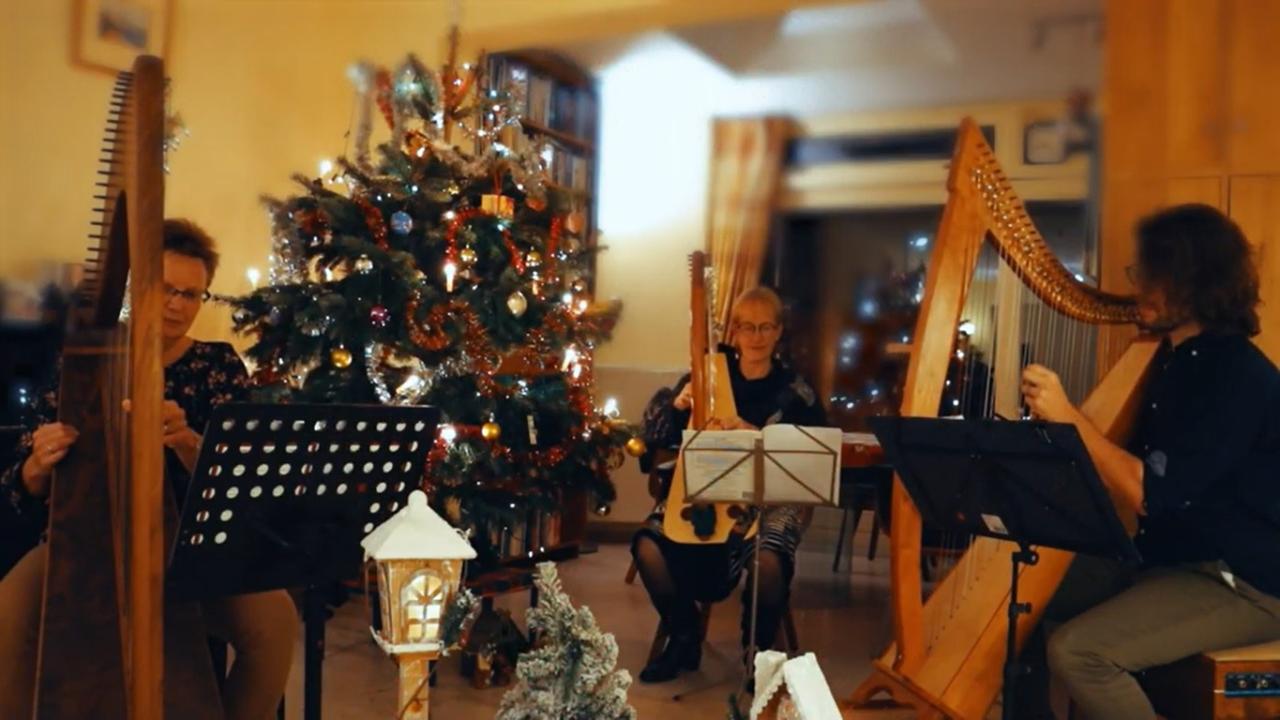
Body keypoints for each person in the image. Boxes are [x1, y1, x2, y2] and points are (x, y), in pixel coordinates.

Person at [0, 219, 297, 720]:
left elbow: (241, 484)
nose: (178, 304)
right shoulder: (81, 359)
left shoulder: (218, 366)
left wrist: (188, 443)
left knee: (274, 625)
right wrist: (38, 466)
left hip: (190, 550)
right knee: (7, 616)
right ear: (135, 288)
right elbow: (19, 485)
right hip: (82, 542)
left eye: (192, 294)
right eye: (165, 289)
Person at [1018, 204, 1280, 719]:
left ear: (1196, 282)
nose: (1141, 288)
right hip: (1170, 560)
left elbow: (1150, 494)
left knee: (1079, 652)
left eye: (1155, 276)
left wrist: (1070, 420)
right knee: (1023, 594)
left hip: (1244, 581)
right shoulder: (1174, 362)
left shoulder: (1234, 376)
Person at [632, 286, 828, 684]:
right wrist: (678, 407)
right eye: (747, 327)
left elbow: (812, 453)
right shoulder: (705, 377)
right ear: (734, 332)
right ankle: (683, 636)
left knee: (768, 558)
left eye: (766, 326)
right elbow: (654, 437)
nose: (756, 336)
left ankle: (758, 653)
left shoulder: (796, 391)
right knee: (648, 544)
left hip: (770, 499)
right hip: (705, 493)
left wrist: (756, 436)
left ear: (778, 332)